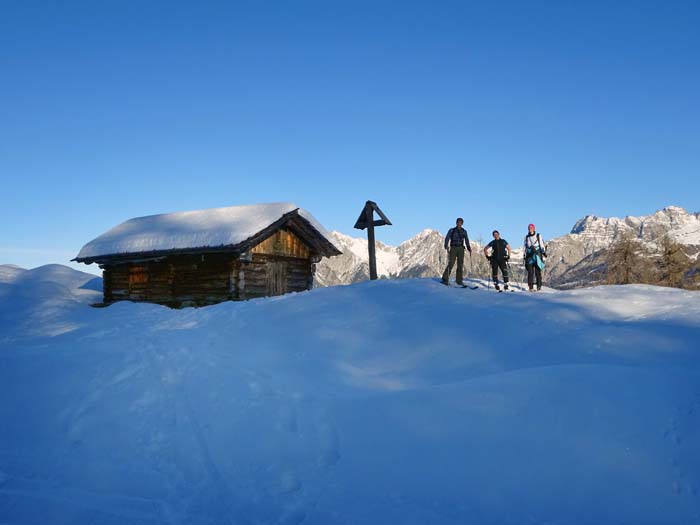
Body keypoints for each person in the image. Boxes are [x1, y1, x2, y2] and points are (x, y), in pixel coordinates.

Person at [441, 217, 472, 285]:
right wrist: (446, 245)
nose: (459, 223)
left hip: (461, 248)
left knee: (460, 264)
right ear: (456, 223)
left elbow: (466, 240)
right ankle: (445, 279)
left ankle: (459, 280)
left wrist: (468, 247)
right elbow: (447, 237)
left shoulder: (464, 231)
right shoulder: (452, 230)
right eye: (458, 222)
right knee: (451, 263)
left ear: (462, 223)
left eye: (460, 222)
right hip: (453, 248)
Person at [524, 223, 546, 291]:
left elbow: (541, 244)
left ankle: (539, 286)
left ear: (534, 228)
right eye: (529, 228)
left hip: (537, 255)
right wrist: (524, 255)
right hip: (529, 256)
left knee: (537, 272)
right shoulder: (526, 237)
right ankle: (531, 287)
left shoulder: (538, 235)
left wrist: (543, 252)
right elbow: (525, 247)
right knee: (530, 272)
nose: (530, 229)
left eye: (531, 228)